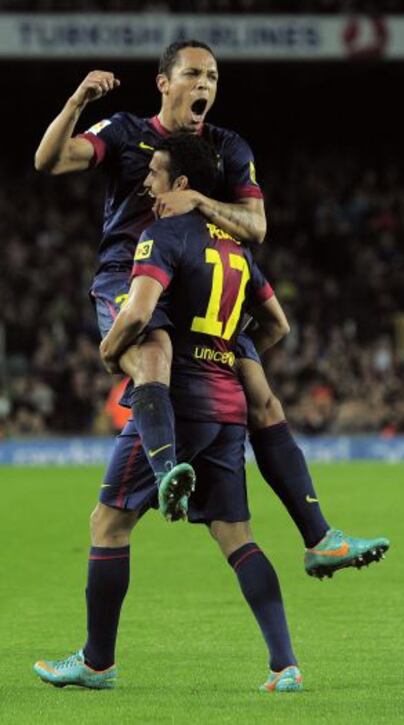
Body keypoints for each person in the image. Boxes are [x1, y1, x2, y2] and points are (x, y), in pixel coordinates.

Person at [34, 39, 389, 577]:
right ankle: (166, 468)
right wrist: (78, 101)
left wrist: (199, 201)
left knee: (262, 398)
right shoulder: (126, 133)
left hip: (200, 287)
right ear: (164, 82)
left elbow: (257, 227)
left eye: (214, 77)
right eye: (194, 74)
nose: (205, 86)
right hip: (133, 277)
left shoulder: (228, 148)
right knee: (153, 352)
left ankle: (321, 538)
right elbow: (49, 160)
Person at [34, 133, 303, 694]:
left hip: (174, 404)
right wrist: (229, 352)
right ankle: (285, 666)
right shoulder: (236, 247)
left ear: (181, 184)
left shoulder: (160, 234)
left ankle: (97, 662)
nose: (146, 184)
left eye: (155, 174)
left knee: (108, 522)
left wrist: (110, 351)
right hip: (228, 405)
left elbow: (139, 312)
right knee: (238, 536)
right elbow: (277, 325)